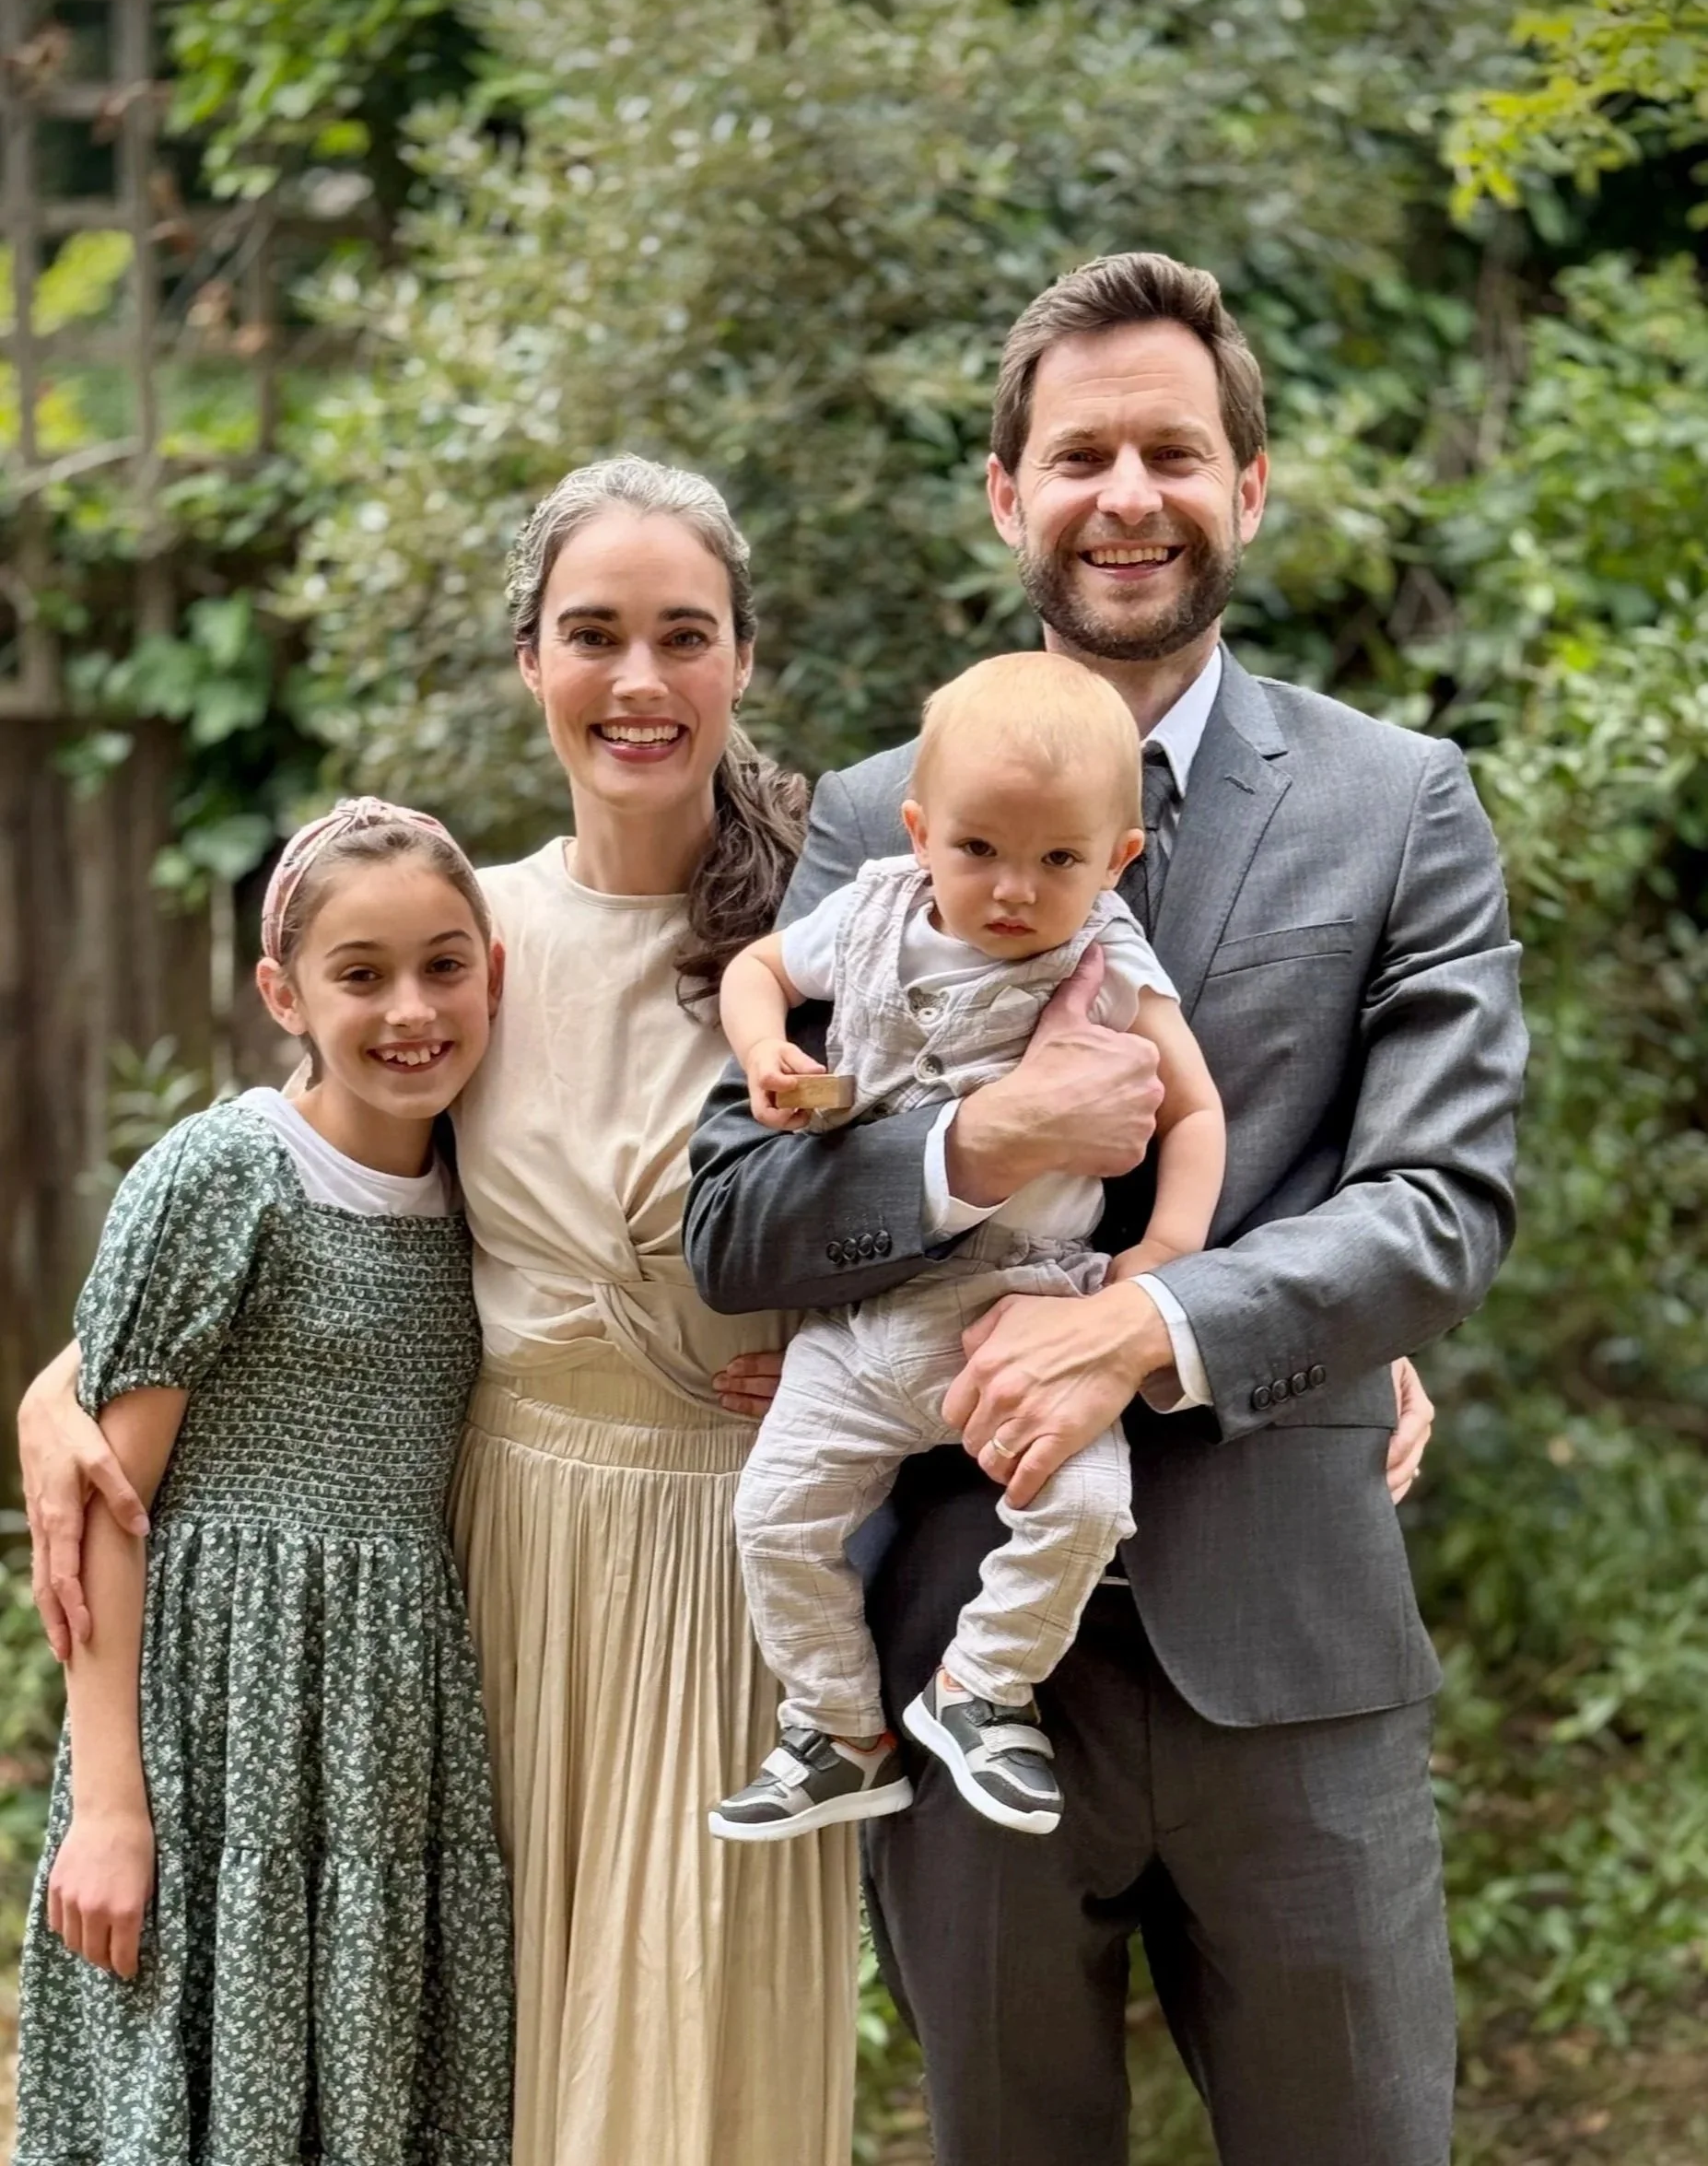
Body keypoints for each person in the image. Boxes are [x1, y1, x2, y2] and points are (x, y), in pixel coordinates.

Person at [684, 252, 1527, 2166]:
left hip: (1292, 1663)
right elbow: (728, 1219)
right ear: (1008, 496)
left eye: (1170, 449)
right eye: (1078, 455)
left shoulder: (1400, 807)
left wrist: (1144, 1324)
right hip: (956, 1644)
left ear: (1250, 483)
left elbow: (1443, 1201)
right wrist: (975, 1146)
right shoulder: (879, 819)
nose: (1123, 493)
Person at [18, 457, 860, 2166]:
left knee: (697, 2065)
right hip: (489, 1579)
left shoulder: (830, 940)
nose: (639, 681)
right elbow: (281, 1222)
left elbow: (987, 1200)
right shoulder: (473, 939)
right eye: (594, 635)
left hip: (736, 1564)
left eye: (682, 636)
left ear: (742, 662)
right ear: (529, 664)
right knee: (477, 2070)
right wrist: (55, 1399)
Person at [13, 798, 513, 2166]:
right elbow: (108, 1506)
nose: (409, 1009)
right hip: (208, 1716)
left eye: (442, 965)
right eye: (361, 975)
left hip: (388, 1729)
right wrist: (112, 1800)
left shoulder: (492, 1182)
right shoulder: (228, 1170)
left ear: (493, 970)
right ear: (283, 992)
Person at [710, 653, 1223, 1843]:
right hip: (865, 1319)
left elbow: (1193, 1108)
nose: (1011, 891)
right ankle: (836, 1729)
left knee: (1086, 1507)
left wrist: (1166, 1248)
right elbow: (758, 967)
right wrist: (764, 1052)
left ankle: (981, 1689)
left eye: (1057, 860)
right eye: (979, 849)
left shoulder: (1104, 960)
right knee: (772, 1519)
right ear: (919, 830)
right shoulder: (874, 907)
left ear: (1116, 861)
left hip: (1029, 1316)